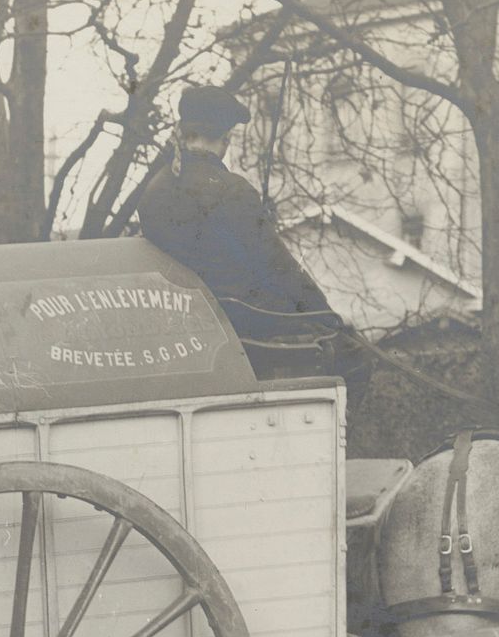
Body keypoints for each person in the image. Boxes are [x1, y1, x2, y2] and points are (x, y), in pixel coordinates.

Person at [128, 84, 372, 413]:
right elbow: (278, 266)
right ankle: (336, 451)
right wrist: (326, 315)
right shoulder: (231, 190)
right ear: (225, 139)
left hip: (183, 323)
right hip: (243, 321)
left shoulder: (154, 191)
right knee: (355, 356)